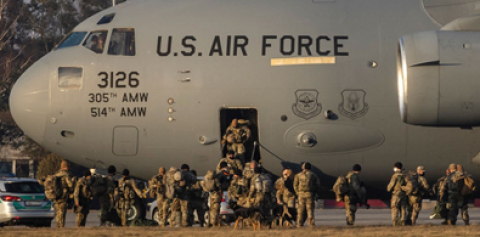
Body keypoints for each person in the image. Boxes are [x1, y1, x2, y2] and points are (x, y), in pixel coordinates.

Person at [294, 162, 321, 227]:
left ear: (303, 168)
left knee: (300, 210)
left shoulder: (298, 175)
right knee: (310, 210)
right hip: (309, 194)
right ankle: (311, 224)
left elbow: (295, 185)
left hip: (301, 194)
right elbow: (318, 185)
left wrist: (298, 192)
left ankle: (299, 224)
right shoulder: (313, 175)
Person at [52, 161, 74, 228]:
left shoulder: (56, 174)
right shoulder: (65, 175)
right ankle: (61, 229)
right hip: (63, 198)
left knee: (58, 215)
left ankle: (58, 227)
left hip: (56, 198)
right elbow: (70, 185)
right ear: (66, 167)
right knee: (62, 215)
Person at [386, 162, 407, 226]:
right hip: (403, 194)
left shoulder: (395, 176)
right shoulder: (404, 175)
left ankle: (395, 223)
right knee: (403, 209)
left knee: (395, 208)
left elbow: (391, 184)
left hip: (396, 194)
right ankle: (403, 223)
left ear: (396, 168)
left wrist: (388, 189)